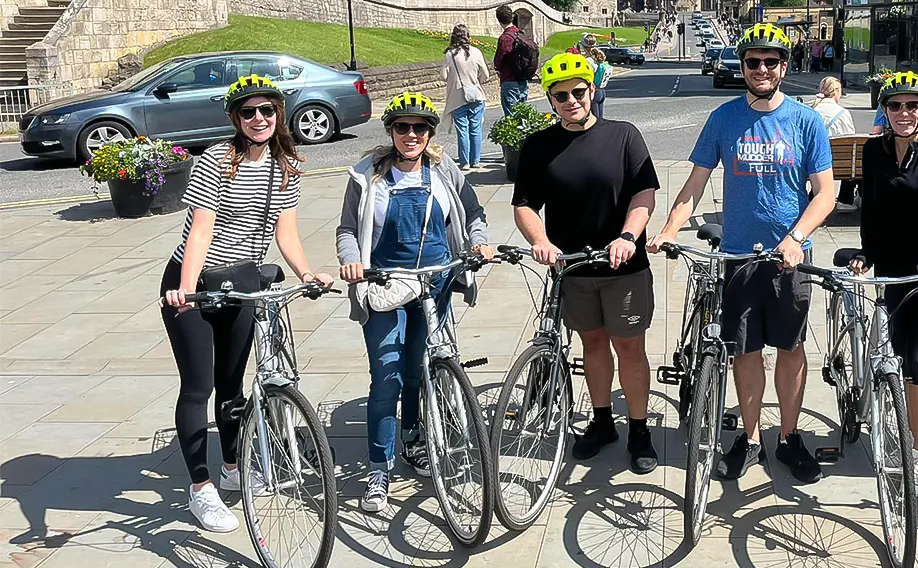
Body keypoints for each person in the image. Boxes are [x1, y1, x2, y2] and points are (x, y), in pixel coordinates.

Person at [648, 23, 836, 484]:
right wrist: (668, 229)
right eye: (754, 62)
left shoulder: (805, 121)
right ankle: (750, 439)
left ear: (784, 67)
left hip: (790, 259)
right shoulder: (724, 119)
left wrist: (796, 237)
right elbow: (695, 184)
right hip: (738, 256)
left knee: (790, 350)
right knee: (745, 353)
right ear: (743, 67)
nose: (762, 69)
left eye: (771, 62)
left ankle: (789, 437)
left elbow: (825, 194)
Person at [160, 75, 333, 533]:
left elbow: (285, 230)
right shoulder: (217, 160)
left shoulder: (286, 164)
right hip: (194, 282)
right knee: (198, 386)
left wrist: (306, 273)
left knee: (232, 385)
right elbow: (201, 229)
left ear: (278, 114)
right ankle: (201, 488)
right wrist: (187, 289)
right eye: (248, 112)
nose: (259, 119)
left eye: (267, 111)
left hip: (242, 282)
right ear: (236, 119)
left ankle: (234, 468)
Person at [336, 92, 496, 513]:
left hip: (436, 284)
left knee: (420, 372)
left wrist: (478, 243)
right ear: (390, 132)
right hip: (385, 287)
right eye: (403, 127)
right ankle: (378, 468)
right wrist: (352, 262)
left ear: (430, 133)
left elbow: (474, 213)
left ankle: (413, 439)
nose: (412, 134)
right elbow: (348, 229)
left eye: (420, 127)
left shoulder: (445, 170)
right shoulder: (367, 176)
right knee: (387, 377)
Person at [513, 52, 662, 474]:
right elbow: (524, 204)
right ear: (551, 101)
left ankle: (639, 429)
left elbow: (644, 194)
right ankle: (601, 423)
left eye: (578, 92)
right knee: (592, 345)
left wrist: (628, 236)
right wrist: (541, 240)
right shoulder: (539, 146)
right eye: (560, 96)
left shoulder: (624, 136)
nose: (570, 100)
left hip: (623, 268)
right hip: (574, 269)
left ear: (592, 91)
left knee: (630, 348)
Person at [846, 72, 918, 496]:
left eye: (912, 105)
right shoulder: (874, 151)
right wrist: (867, 252)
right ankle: (888, 417)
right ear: (885, 110)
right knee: (893, 352)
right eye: (894, 105)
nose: (902, 113)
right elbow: (870, 206)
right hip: (891, 265)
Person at [440, 24, 489, 171]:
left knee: (463, 130)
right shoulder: (476, 52)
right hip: (476, 95)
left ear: (454, 36)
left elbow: (443, 76)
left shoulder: (450, 54)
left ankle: (465, 162)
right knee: (476, 128)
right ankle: (476, 160)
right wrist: (475, 82)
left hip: (457, 97)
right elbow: (485, 75)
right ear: (468, 35)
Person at [811, 76, 857, 206]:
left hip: (812, 166)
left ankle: (811, 197)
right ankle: (845, 200)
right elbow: (850, 138)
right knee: (853, 158)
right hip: (842, 165)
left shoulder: (810, 111)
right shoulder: (843, 113)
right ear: (836, 92)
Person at [493, 5, 529, 115]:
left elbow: (499, 60)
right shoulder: (520, 34)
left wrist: (498, 68)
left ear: (499, 20)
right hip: (523, 80)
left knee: (512, 118)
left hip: (509, 80)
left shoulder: (505, 38)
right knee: (522, 116)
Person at [588, 46, 613, 120]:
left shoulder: (591, 63)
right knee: (600, 118)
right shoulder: (601, 63)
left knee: (595, 118)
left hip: (595, 91)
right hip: (602, 90)